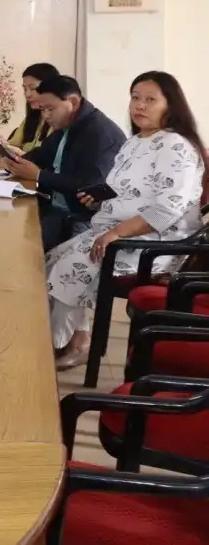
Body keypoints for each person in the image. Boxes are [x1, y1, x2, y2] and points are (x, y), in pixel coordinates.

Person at [43, 71, 206, 369]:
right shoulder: (135, 142)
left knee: (67, 268)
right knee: (50, 261)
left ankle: (55, 347)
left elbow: (167, 209)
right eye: (135, 98)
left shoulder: (176, 145)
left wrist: (116, 232)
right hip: (117, 233)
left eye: (150, 100)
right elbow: (124, 192)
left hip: (154, 244)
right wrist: (99, 200)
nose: (139, 105)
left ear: (171, 105)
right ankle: (76, 338)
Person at [2, 75, 125, 250]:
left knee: (19, 244)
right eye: (43, 109)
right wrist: (14, 160)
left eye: (50, 109)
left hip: (81, 219)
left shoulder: (98, 132)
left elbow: (89, 186)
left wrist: (39, 175)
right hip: (55, 207)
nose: (46, 116)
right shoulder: (67, 125)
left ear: (72, 102)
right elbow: (42, 154)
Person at [5, 62, 62, 154]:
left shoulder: (62, 122)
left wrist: (22, 156)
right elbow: (13, 144)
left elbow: (50, 158)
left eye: (32, 88)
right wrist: (2, 144)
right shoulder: (31, 119)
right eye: (25, 89)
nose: (27, 94)